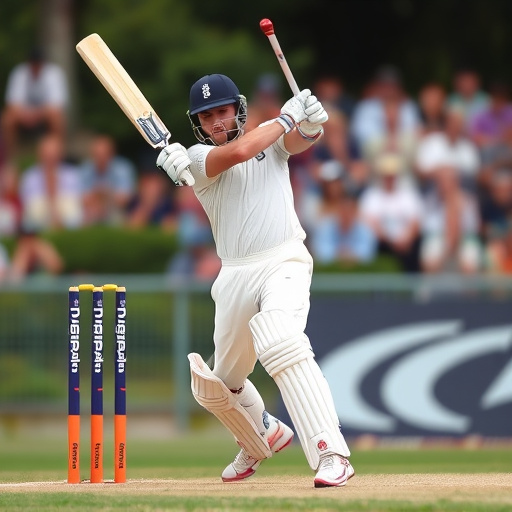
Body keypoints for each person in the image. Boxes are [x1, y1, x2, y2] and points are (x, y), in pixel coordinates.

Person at [156, 74, 354, 487]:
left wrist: (311, 123)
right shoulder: (197, 158)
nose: (216, 122)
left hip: (283, 259)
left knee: (280, 338)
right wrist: (286, 119)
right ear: (197, 123)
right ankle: (261, 431)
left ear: (239, 109)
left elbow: (298, 141)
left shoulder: (271, 139)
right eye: (206, 116)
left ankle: (330, 452)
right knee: (216, 386)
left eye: (222, 111)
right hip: (234, 273)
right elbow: (241, 151)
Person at [1, 46, 68, 160]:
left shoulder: (54, 74)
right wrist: (28, 114)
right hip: (25, 116)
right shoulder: (19, 73)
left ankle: (58, 155)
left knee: (57, 117)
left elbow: (57, 106)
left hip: (43, 116)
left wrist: (35, 114)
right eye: (34, 63)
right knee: (7, 118)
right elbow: (12, 104)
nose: (36, 66)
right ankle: (9, 159)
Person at [80, 134, 137, 226]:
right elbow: (83, 198)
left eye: (103, 154)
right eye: (97, 155)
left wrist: (101, 195)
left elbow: (124, 199)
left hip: (116, 209)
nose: (100, 158)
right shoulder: (86, 168)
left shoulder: (123, 168)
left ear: (111, 154)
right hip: (92, 209)